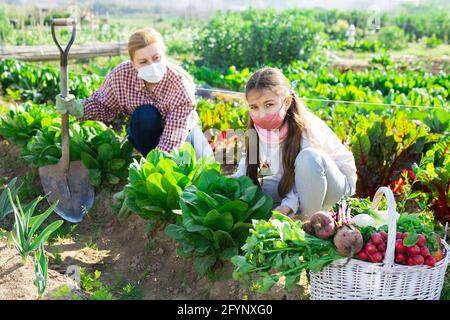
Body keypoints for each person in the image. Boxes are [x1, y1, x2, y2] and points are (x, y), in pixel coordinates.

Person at [55, 28, 213, 159]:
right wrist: (78, 108)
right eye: (143, 62)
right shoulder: (122, 76)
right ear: (133, 63)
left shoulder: (180, 85)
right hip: (145, 130)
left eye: (156, 58)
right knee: (146, 115)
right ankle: (145, 154)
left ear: (164, 55)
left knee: (206, 162)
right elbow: (102, 105)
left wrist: (160, 161)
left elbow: (174, 137)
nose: (151, 65)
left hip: (182, 132)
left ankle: (153, 160)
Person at [233, 67, 357, 220]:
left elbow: (308, 173)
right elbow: (251, 164)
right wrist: (236, 182)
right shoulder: (258, 128)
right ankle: (285, 217)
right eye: (254, 107)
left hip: (332, 184)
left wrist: (288, 204)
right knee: (259, 186)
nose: (262, 114)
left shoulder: (306, 128)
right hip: (293, 179)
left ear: (286, 102)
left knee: (309, 158)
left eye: (269, 104)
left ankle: (308, 223)